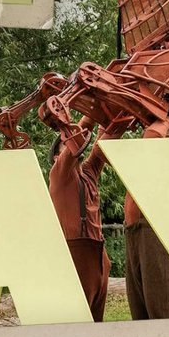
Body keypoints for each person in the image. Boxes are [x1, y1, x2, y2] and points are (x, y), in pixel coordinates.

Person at [48, 131, 110, 322]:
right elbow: (76, 139)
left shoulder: (88, 173)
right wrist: (80, 126)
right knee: (77, 322)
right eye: (65, 143)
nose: (73, 143)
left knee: (96, 323)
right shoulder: (59, 174)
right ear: (57, 157)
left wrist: (110, 120)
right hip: (76, 254)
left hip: (99, 255)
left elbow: (103, 143)